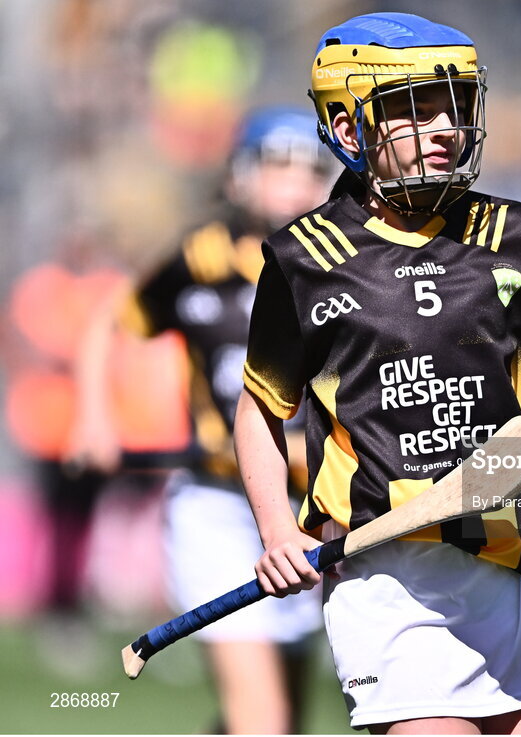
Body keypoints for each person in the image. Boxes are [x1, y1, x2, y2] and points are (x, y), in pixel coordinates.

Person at [235, 12, 521, 735]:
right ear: (349, 129)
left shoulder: (509, 234)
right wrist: (276, 530)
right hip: (390, 576)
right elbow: (262, 408)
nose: (444, 126)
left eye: (452, 104)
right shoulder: (305, 258)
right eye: (413, 109)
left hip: (510, 563)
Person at [68, 107, 336, 733]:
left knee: (286, 718)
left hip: (314, 513)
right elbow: (110, 323)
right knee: (263, 721)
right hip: (220, 509)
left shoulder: (347, 265)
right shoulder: (200, 257)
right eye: (277, 166)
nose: (292, 184)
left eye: (308, 170)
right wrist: (94, 416)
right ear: (239, 177)